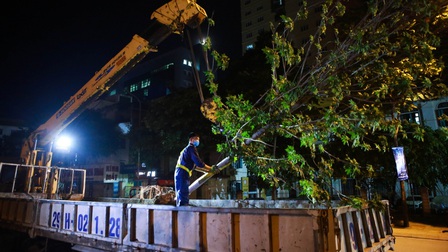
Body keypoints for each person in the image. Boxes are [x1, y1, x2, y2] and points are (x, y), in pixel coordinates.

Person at [174, 132, 212, 206]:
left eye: (198, 139)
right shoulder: (191, 148)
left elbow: (195, 167)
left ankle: (181, 209)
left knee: (181, 194)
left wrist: (207, 171)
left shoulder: (186, 150)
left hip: (181, 173)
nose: (198, 141)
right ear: (191, 139)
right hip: (182, 173)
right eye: (196, 139)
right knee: (183, 195)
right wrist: (211, 169)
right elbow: (199, 163)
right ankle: (183, 211)